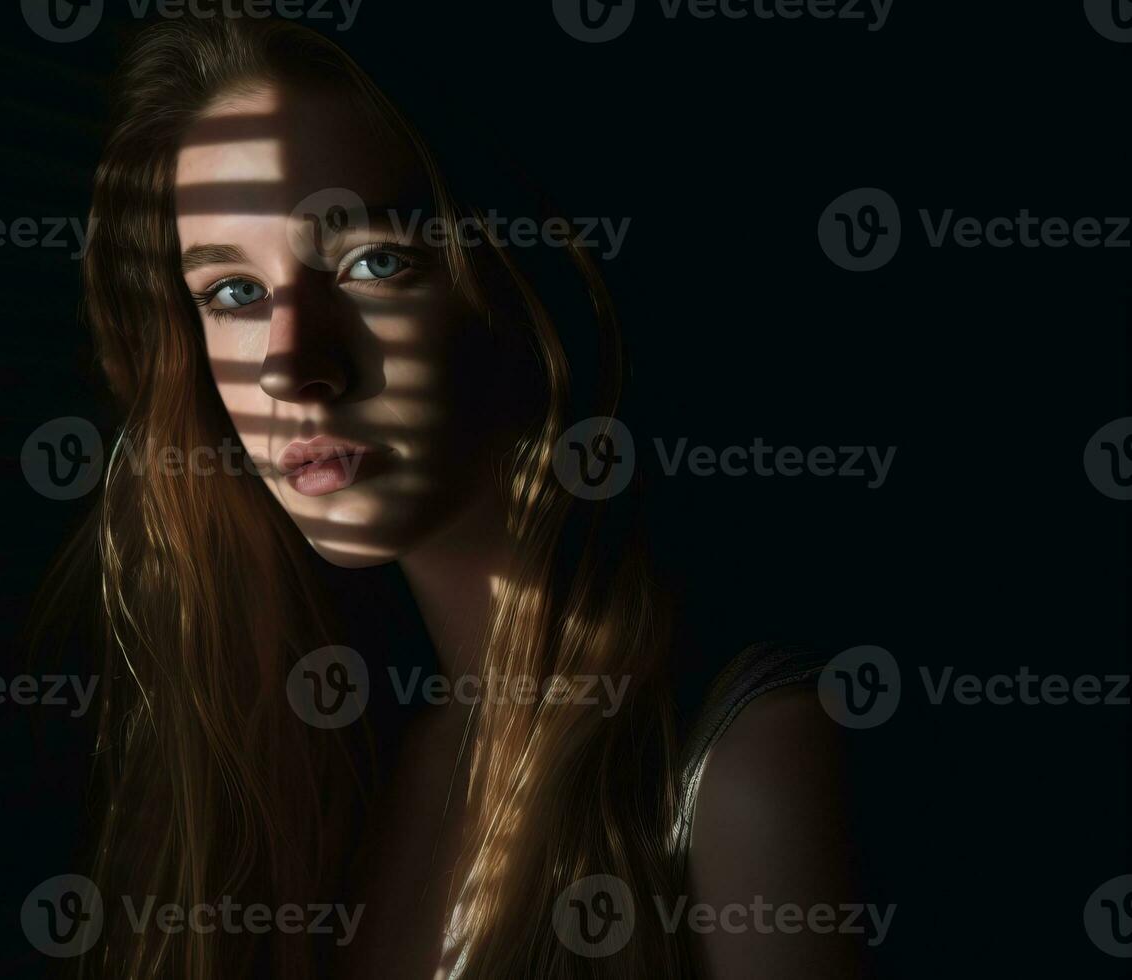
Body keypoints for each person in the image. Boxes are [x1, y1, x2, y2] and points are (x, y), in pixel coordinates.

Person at [60, 14, 867, 978]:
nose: (289, 363)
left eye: (375, 262)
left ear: (527, 278)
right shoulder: (325, 765)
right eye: (232, 293)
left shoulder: (747, 770)